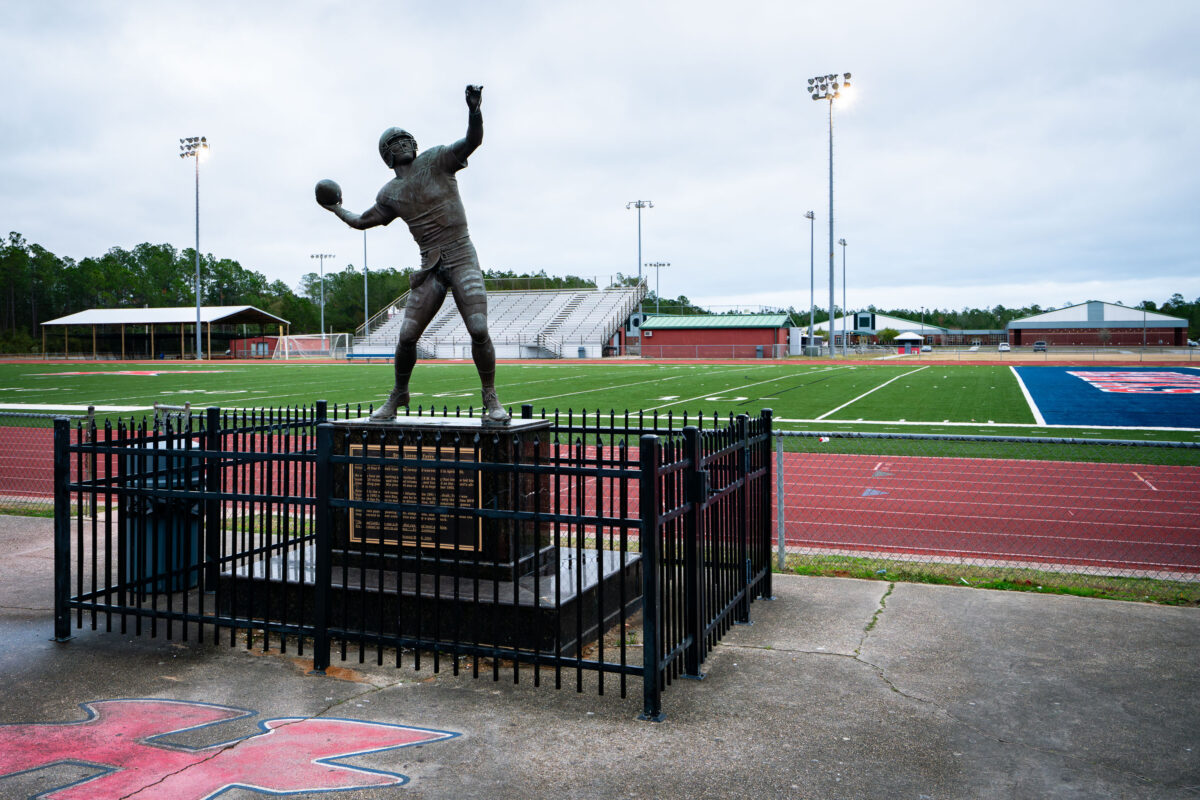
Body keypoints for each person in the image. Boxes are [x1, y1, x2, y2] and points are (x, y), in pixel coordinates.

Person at [317, 84, 509, 423]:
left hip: (461, 255)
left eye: (406, 138)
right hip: (430, 267)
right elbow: (361, 221)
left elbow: (473, 140)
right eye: (395, 142)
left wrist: (474, 111)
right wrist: (336, 209)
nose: (403, 143)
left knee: (479, 328)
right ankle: (399, 393)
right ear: (387, 155)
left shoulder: (437, 159)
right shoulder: (390, 193)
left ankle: (490, 395)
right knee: (406, 336)